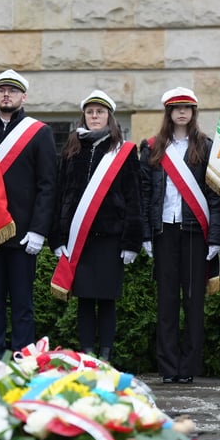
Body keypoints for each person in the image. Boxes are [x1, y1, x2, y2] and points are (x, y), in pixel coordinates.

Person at [139, 87, 220, 384]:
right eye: (176, 108)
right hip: (164, 230)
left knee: (193, 302)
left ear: (193, 112)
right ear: (168, 112)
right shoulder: (152, 148)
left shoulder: (206, 146)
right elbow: (145, 194)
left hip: (194, 232)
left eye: (186, 107)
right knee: (166, 302)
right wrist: (146, 235)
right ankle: (167, 368)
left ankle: (188, 368)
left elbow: (215, 196)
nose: (181, 112)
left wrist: (215, 238)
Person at [50, 90, 141, 362]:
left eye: (100, 112)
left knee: (107, 299)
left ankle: (106, 355)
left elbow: (134, 197)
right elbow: (61, 194)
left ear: (109, 117)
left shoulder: (123, 151)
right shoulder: (72, 148)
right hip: (80, 239)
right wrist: (58, 237)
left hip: (110, 239)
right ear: (84, 116)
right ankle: (87, 354)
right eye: (90, 112)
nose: (94, 116)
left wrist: (131, 241)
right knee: (85, 299)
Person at [0, 70, 56, 354]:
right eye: (1, 90)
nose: (6, 95)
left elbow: (47, 185)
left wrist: (38, 230)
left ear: (24, 97)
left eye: (12, 91)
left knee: (22, 302)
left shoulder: (39, 132)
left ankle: (24, 356)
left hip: (23, 233)